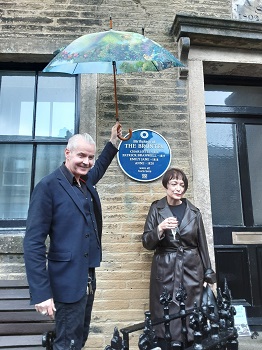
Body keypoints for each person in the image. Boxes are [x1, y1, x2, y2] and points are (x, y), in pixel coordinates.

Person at [23, 123, 121, 350]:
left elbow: (99, 168)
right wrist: (41, 293)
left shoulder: (85, 181)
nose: (87, 162)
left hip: (87, 279)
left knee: (80, 339)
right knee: (67, 343)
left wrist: (113, 142)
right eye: (81, 156)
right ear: (67, 153)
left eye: (90, 157)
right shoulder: (48, 187)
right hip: (65, 283)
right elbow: (33, 242)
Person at [142, 168, 216, 346]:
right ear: (166, 185)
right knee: (165, 308)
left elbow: (202, 245)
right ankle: (166, 343)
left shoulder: (194, 212)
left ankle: (191, 342)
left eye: (182, 185)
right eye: (174, 183)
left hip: (191, 266)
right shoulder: (157, 209)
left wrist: (207, 273)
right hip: (165, 266)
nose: (178, 188)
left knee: (192, 308)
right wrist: (160, 228)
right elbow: (146, 242)